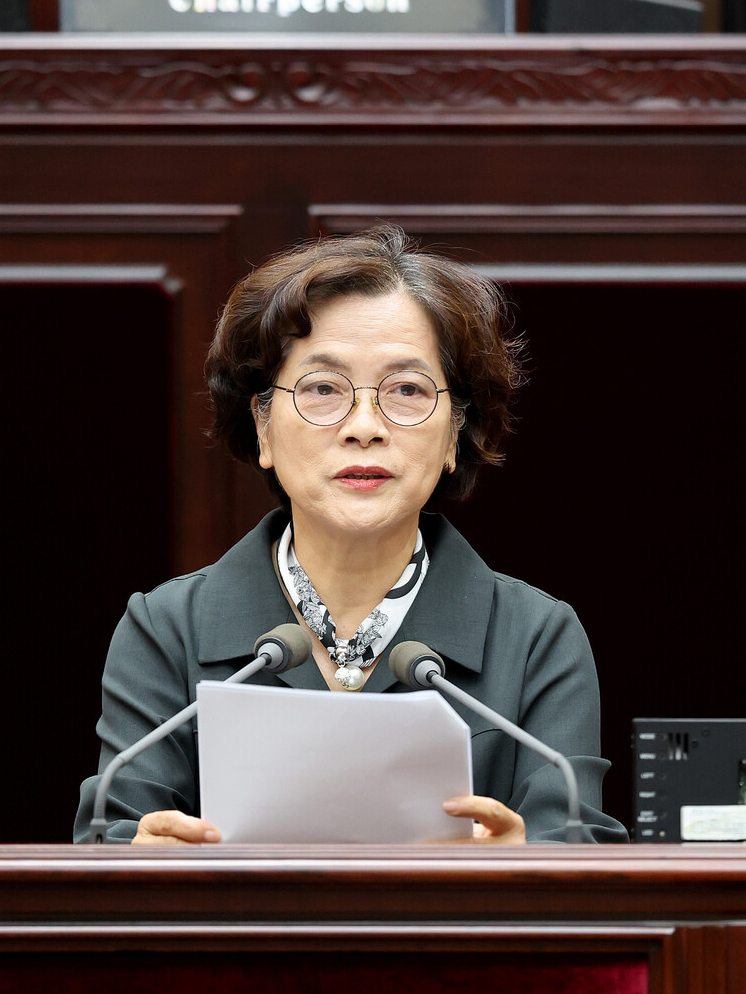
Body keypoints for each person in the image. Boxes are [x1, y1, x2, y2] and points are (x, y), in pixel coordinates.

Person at [74, 228, 625, 845]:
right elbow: (110, 841)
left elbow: (577, 851)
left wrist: (518, 869)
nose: (365, 427)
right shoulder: (167, 629)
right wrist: (139, 860)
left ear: (454, 434)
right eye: (323, 389)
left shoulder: (535, 638)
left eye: (407, 390)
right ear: (262, 426)